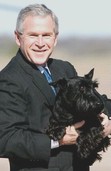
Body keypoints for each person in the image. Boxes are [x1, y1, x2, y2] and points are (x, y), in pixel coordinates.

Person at [0, 3, 110, 171]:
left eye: (46, 35)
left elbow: (94, 100)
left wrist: (108, 121)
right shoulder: (8, 79)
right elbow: (6, 140)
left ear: (55, 38)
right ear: (18, 37)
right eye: (33, 35)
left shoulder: (64, 68)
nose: (40, 43)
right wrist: (60, 140)